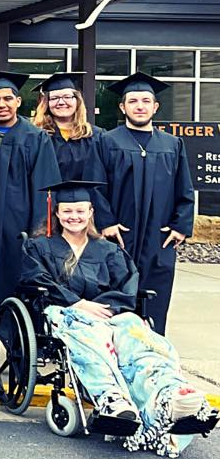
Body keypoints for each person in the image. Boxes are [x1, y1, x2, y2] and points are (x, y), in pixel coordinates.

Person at [21, 180, 216, 456]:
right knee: (88, 333)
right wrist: (78, 303)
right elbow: (34, 279)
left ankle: (170, 394)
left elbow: (127, 285)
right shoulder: (40, 247)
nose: (73, 217)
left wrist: (105, 308)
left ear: (91, 212)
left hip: (109, 314)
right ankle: (111, 399)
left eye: (79, 211)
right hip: (66, 313)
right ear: (56, 213)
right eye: (67, 211)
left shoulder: (108, 250)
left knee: (138, 337)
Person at [0, 70, 61, 378]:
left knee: (16, 287)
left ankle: (18, 354)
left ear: (19, 101)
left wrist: (37, 232)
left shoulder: (35, 138)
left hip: (16, 231)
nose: (2, 104)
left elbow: (46, 189)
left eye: (8, 98)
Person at [97, 73, 195, 335]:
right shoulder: (108, 141)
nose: (139, 106)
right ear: (122, 107)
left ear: (155, 107)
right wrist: (106, 223)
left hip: (158, 238)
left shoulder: (172, 144)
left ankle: (152, 355)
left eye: (145, 101)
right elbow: (96, 186)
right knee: (114, 296)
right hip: (119, 237)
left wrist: (181, 226)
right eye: (132, 101)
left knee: (156, 298)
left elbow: (184, 189)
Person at [31, 72, 107, 184]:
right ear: (46, 103)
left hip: (87, 200)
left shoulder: (97, 136)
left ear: (77, 100)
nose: (61, 102)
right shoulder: (36, 136)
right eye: (55, 98)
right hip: (47, 199)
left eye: (67, 97)